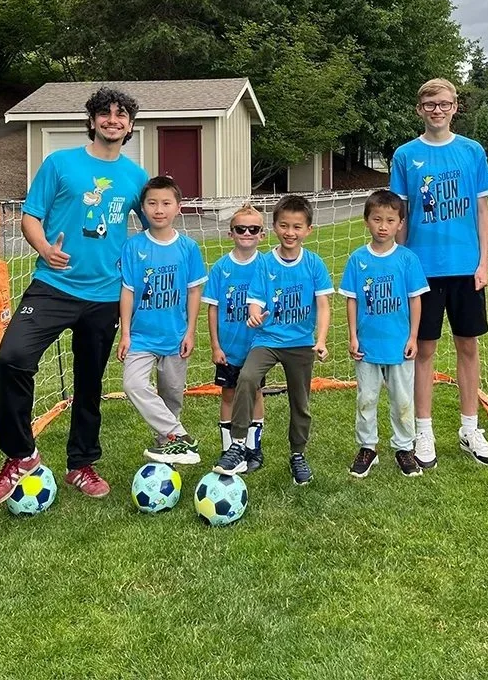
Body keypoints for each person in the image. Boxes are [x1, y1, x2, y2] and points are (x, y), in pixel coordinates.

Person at [0, 88, 150, 505]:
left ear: (130, 126)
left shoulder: (135, 177)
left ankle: (82, 464)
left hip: (105, 295)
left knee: (89, 382)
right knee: (12, 358)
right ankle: (22, 455)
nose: (114, 119)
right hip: (53, 287)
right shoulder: (59, 164)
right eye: (105, 113)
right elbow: (31, 216)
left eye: (122, 114)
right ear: (91, 121)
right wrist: (44, 249)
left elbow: (153, 228)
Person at [390, 77, 488, 469]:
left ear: (456, 107)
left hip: (465, 269)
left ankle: (470, 428)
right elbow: (400, 217)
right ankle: (424, 431)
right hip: (422, 270)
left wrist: (484, 261)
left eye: (445, 103)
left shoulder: (472, 152)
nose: (438, 110)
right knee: (424, 350)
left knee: (468, 346)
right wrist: (400, 266)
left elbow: (483, 211)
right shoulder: (405, 155)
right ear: (420, 109)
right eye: (430, 104)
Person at [213, 194, 332, 485]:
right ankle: (238, 445)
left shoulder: (314, 264)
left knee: (300, 401)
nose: (290, 232)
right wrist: (254, 314)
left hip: (301, 343)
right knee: (247, 378)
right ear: (275, 228)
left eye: (297, 226)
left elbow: (325, 305)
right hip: (266, 339)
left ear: (308, 230)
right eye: (284, 226)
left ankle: (298, 455)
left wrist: (322, 339)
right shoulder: (265, 263)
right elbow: (255, 299)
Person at [117, 175, 208, 465]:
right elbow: (128, 292)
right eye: (152, 203)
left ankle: (168, 448)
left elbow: (194, 291)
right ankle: (180, 436)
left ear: (178, 207)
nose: (159, 209)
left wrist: (190, 332)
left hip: (175, 336)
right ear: (142, 208)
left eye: (166, 203)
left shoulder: (188, 248)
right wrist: (126, 334)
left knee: (171, 398)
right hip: (142, 337)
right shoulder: (133, 247)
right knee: (133, 385)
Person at [339, 190, 428, 478]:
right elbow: (351, 299)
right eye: (377, 219)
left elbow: (416, 299)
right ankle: (368, 447)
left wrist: (413, 337)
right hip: (367, 347)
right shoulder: (357, 259)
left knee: (403, 400)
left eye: (390, 220)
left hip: (400, 346)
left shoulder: (407, 259)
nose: (383, 226)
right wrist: (353, 336)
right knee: (366, 398)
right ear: (367, 221)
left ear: (400, 224)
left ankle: (404, 448)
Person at [201, 204, 269, 467]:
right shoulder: (221, 268)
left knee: (254, 393)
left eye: (254, 229)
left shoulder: (266, 265)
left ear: (262, 234)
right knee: (228, 394)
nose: (247, 233)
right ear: (231, 233)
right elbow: (213, 308)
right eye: (241, 228)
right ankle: (229, 449)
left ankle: (253, 447)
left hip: (256, 347)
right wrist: (216, 346)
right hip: (228, 348)